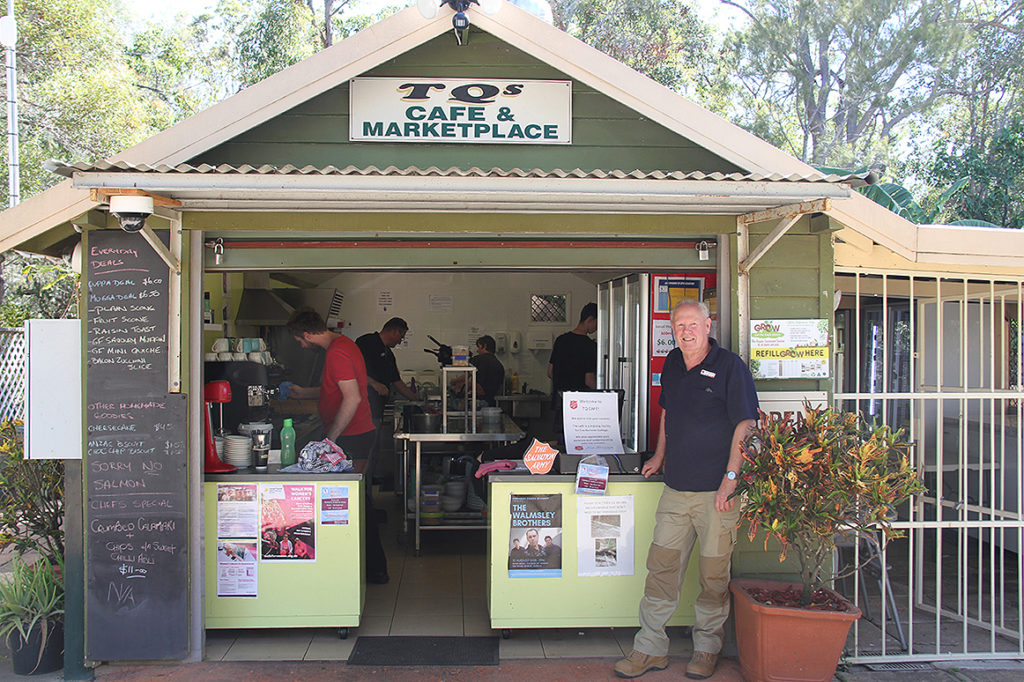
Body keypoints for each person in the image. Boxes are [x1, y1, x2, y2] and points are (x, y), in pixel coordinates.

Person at [614, 300, 758, 680]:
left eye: (693, 324)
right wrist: (659, 457)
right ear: (672, 330)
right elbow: (669, 414)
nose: (686, 331)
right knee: (661, 571)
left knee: (713, 577)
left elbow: (746, 424)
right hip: (676, 489)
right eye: (679, 325)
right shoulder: (673, 364)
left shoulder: (730, 367)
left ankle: (707, 648)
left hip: (717, 494)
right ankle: (649, 649)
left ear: (708, 325)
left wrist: (731, 478)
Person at [285, 308, 389, 584]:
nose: (302, 346)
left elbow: (352, 398)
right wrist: (305, 393)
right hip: (355, 434)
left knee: (354, 504)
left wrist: (329, 439)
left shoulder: (337, 353)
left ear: (306, 334)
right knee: (354, 501)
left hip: (352, 437)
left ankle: (373, 569)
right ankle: (366, 568)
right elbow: (340, 389)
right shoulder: (344, 345)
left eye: (300, 341)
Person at [355, 317, 419, 425]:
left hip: (377, 409)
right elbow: (352, 370)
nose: (400, 342)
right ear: (394, 332)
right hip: (361, 408)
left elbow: (397, 382)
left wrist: (418, 400)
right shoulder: (366, 342)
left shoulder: (388, 354)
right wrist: (374, 383)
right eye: (401, 337)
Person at [548, 302, 598, 432]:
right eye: (596, 323)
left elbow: (549, 372)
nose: (597, 328)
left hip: (559, 403)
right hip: (580, 406)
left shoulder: (560, 340)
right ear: (590, 319)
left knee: (561, 442)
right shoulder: (589, 346)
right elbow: (589, 380)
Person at [454, 335, 505, 407]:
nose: (477, 350)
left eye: (478, 347)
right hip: (493, 404)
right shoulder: (498, 364)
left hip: (481, 403)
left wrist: (454, 381)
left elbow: (465, 371)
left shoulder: (480, 359)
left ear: (484, 346)